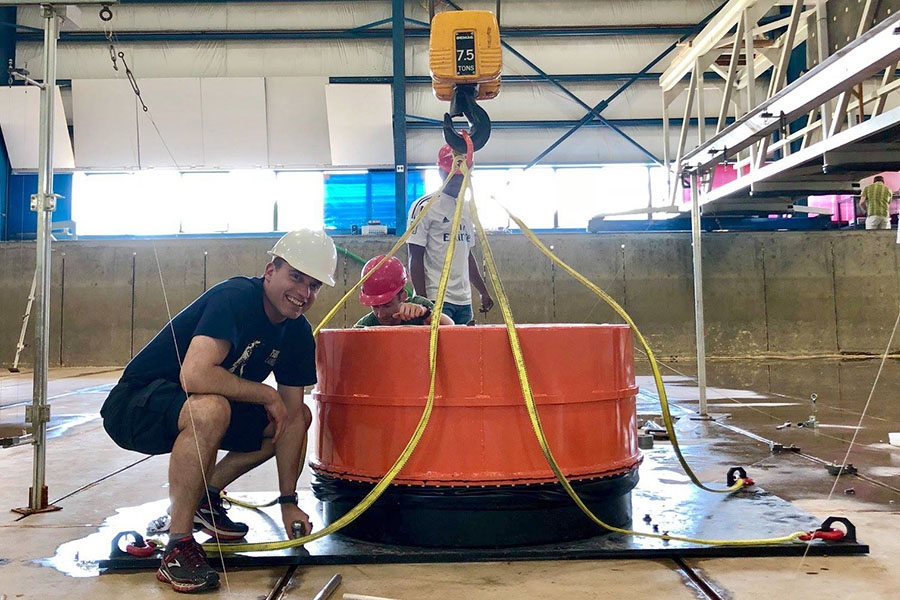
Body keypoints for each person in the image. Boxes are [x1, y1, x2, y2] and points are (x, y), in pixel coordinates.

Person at [100, 229, 337, 594]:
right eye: (296, 277)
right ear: (270, 270)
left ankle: (205, 498)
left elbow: (290, 419)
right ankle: (178, 545)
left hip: (202, 408)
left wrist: (288, 502)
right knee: (211, 408)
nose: (304, 293)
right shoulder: (236, 298)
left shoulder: (297, 332)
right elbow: (194, 375)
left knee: (296, 416)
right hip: (137, 405)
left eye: (314, 285)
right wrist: (263, 394)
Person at [407, 144, 494, 325]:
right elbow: (415, 256)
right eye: (453, 177)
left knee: (463, 351)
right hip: (436, 298)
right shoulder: (425, 206)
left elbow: (467, 254)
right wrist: (423, 302)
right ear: (441, 173)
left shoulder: (468, 209)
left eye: (463, 177)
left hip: (463, 301)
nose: (458, 182)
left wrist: (482, 291)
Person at [354, 254, 453, 327]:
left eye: (387, 305)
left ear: (403, 296)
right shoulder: (366, 326)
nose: (381, 314)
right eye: (375, 307)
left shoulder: (420, 306)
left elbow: (451, 328)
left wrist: (426, 314)